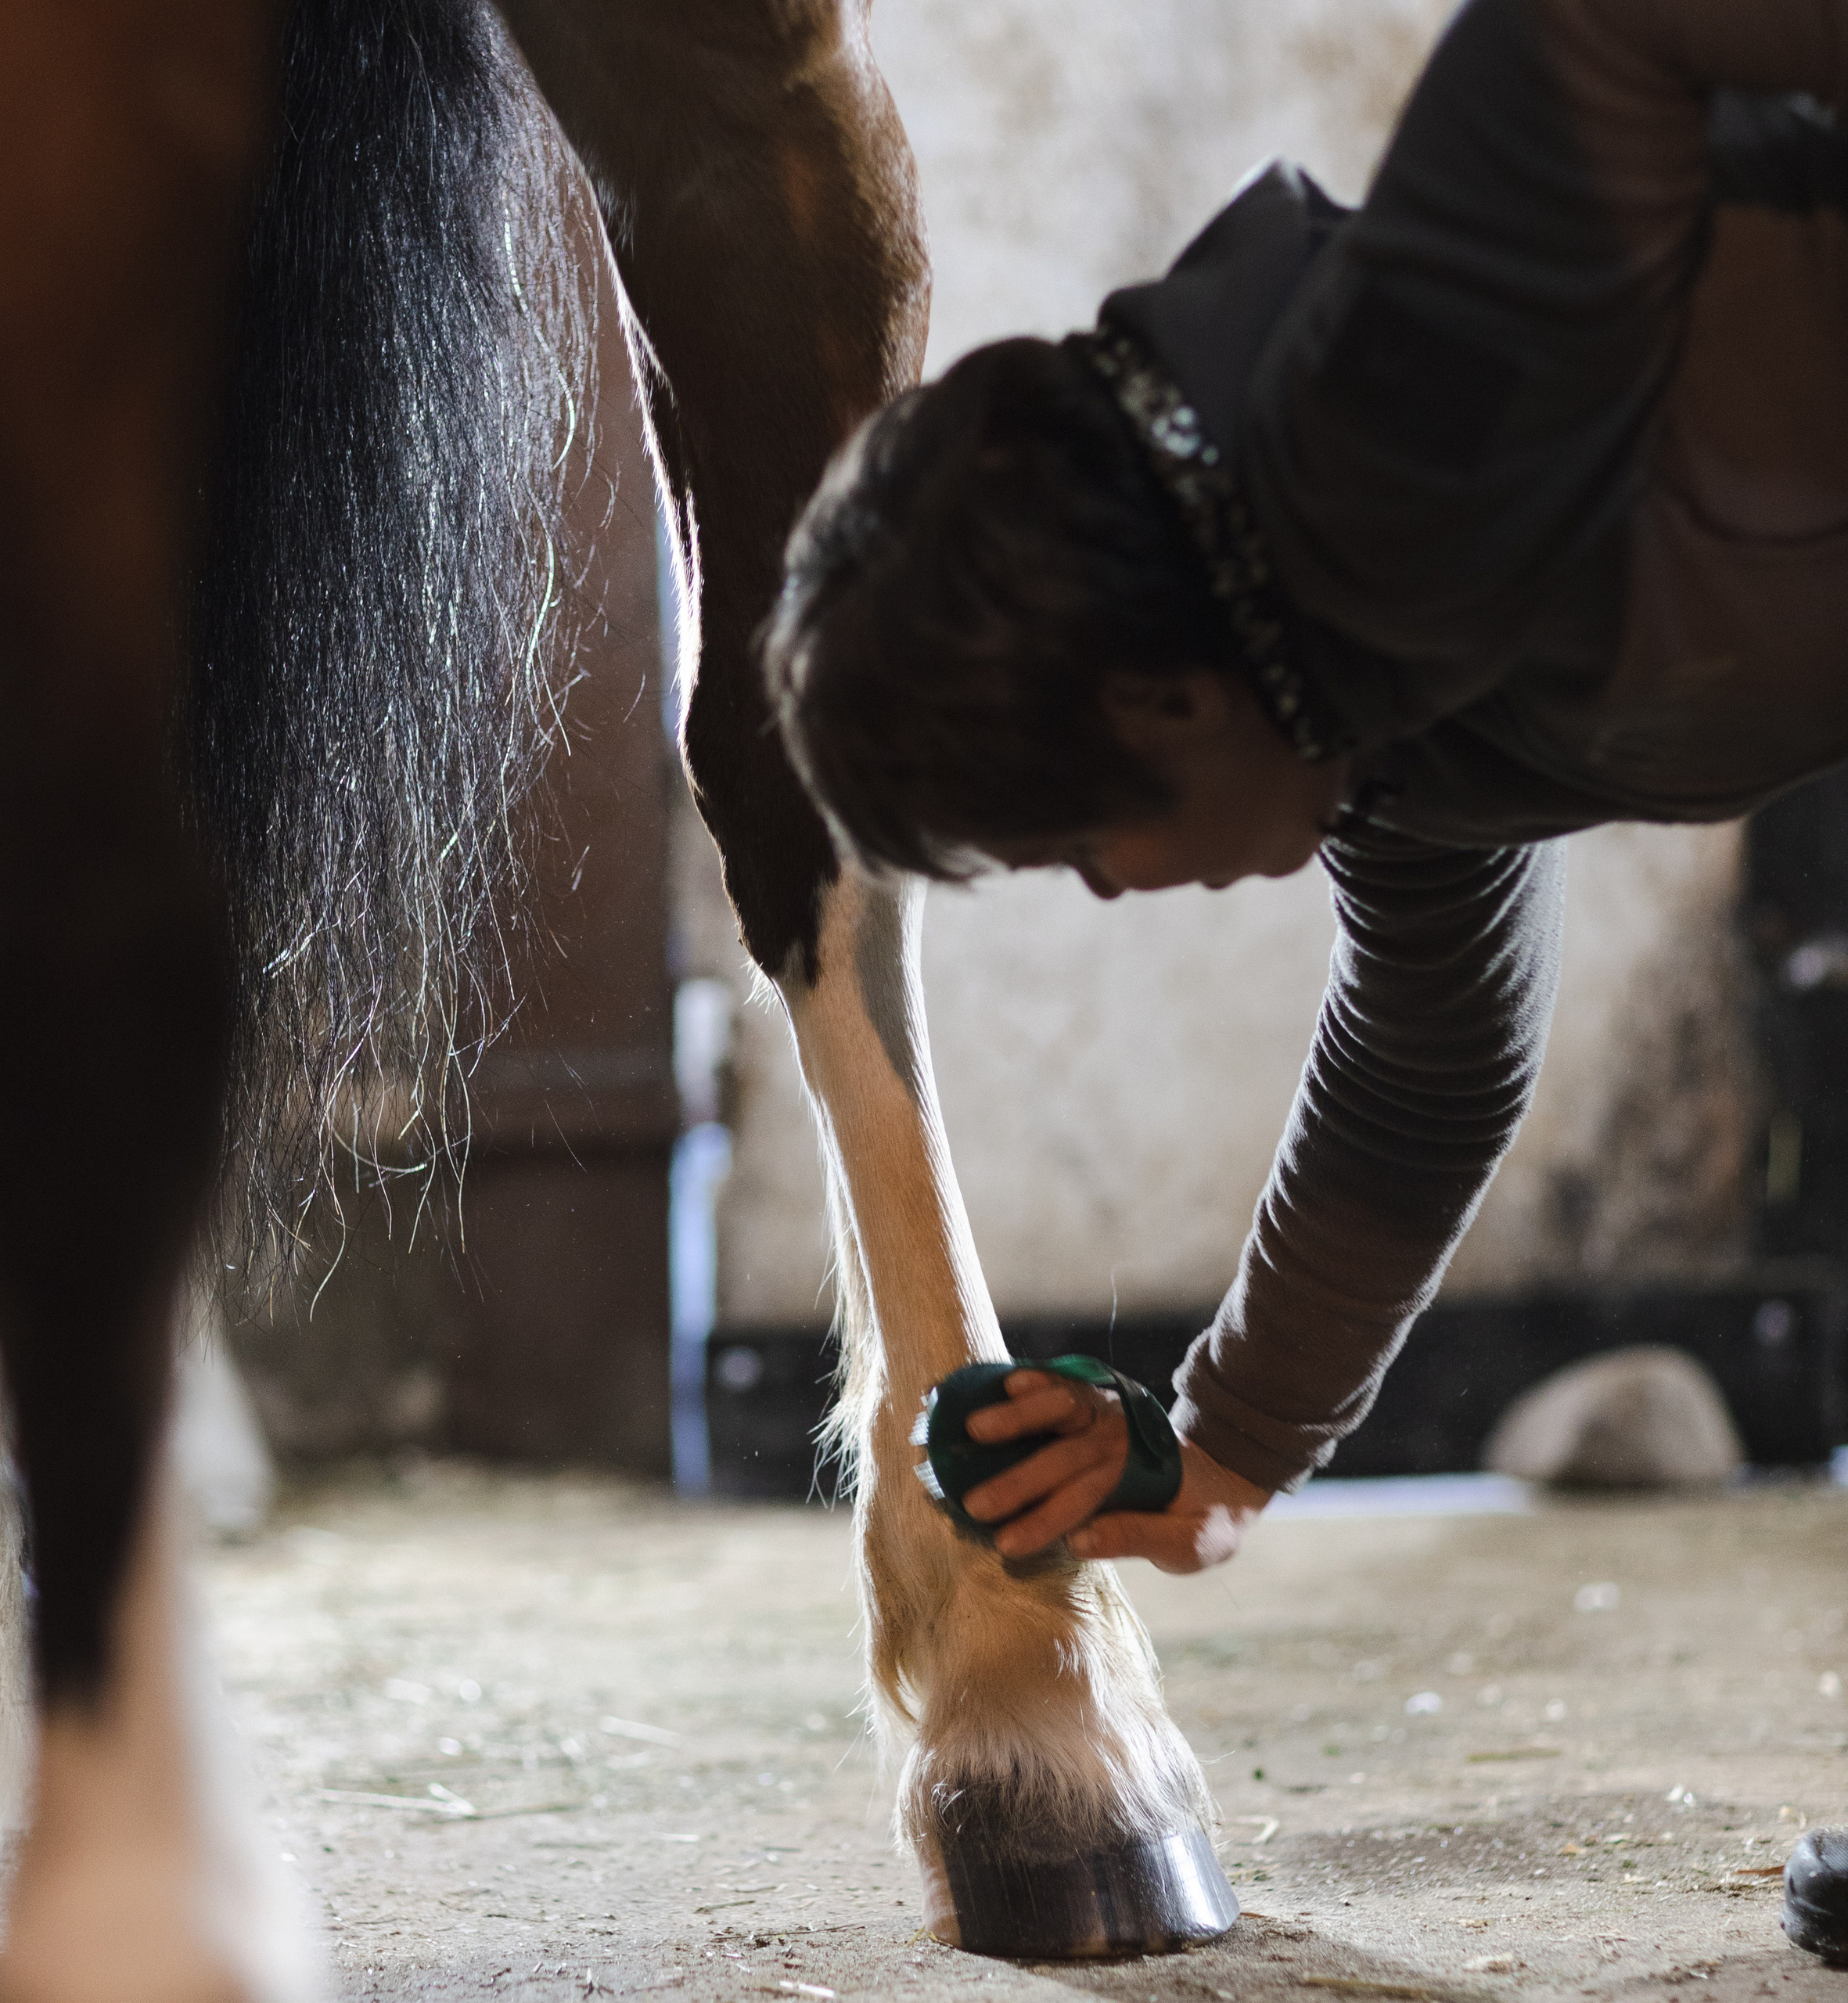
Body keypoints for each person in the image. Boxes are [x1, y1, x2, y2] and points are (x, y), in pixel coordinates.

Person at [767, 0, 1848, 1960]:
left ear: (1156, 696)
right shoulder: (1372, 714)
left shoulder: (1386, 407)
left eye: (1079, 839)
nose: (1108, 889)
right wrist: (1216, 1455)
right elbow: (1428, 1064)